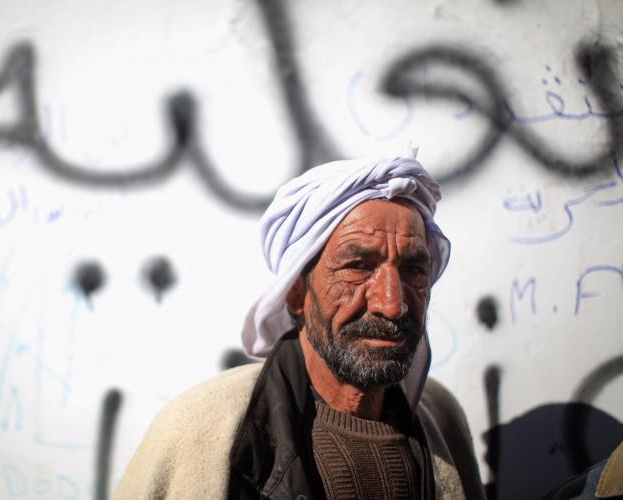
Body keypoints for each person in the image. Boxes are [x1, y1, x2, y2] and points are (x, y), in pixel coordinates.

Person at [114, 155, 485, 499]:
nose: (391, 304)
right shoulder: (203, 429)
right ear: (296, 293)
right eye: (358, 267)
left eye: (414, 270)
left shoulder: (439, 417)